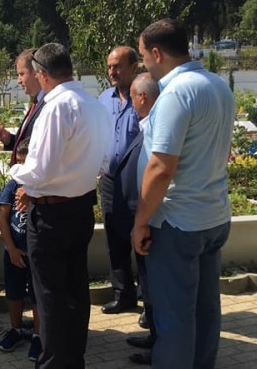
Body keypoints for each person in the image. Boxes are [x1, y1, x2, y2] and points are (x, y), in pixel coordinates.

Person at [132, 19, 234, 368]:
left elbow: (161, 168)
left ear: (157, 53)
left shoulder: (177, 93)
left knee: (174, 318)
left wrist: (140, 223)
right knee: (206, 311)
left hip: (178, 222)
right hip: (213, 216)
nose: (143, 63)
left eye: (144, 56)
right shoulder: (218, 85)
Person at [10, 43, 110, 369]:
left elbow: (40, 170)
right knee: (75, 293)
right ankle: (72, 359)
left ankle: (54, 363)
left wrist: (11, 171)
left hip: (51, 213)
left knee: (51, 295)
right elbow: (105, 159)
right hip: (80, 207)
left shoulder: (57, 107)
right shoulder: (92, 103)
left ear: (42, 74)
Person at [113, 74, 159, 366]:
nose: (130, 101)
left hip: (149, 216)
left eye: (132, 96)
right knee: (146, 278)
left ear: (142, 97)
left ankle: (159, 343)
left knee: (153, 282)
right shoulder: (148, 122)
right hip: (139, 213)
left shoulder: (156, 124)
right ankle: (154, 334)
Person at [97, 46, 141, 315]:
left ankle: (149, 303)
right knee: (115, 239)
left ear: (134, 67)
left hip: (138, 180)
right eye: (110, 66)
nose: (112, 71)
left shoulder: (146, 96)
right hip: (111, 179)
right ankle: (123, 294)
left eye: (118, 66)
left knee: (143, 241)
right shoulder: (104, 98)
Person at [0, 138, 42, 362]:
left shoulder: (43, 185)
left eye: (27, 163)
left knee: (37, 296)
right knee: (14, 293)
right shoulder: (13, 183)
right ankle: (15, 329)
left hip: (37, 254)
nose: (22, 168)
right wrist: (11, 248)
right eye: (19, 162)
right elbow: (3, 217)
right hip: (15, 252)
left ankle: (38, 335)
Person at [0, 48, 44, 166]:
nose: (18, 81)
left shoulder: (49, 105)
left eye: (21, 74)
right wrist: (10, 139)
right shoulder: (37, 102)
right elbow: (29, 144)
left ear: (36, 73)